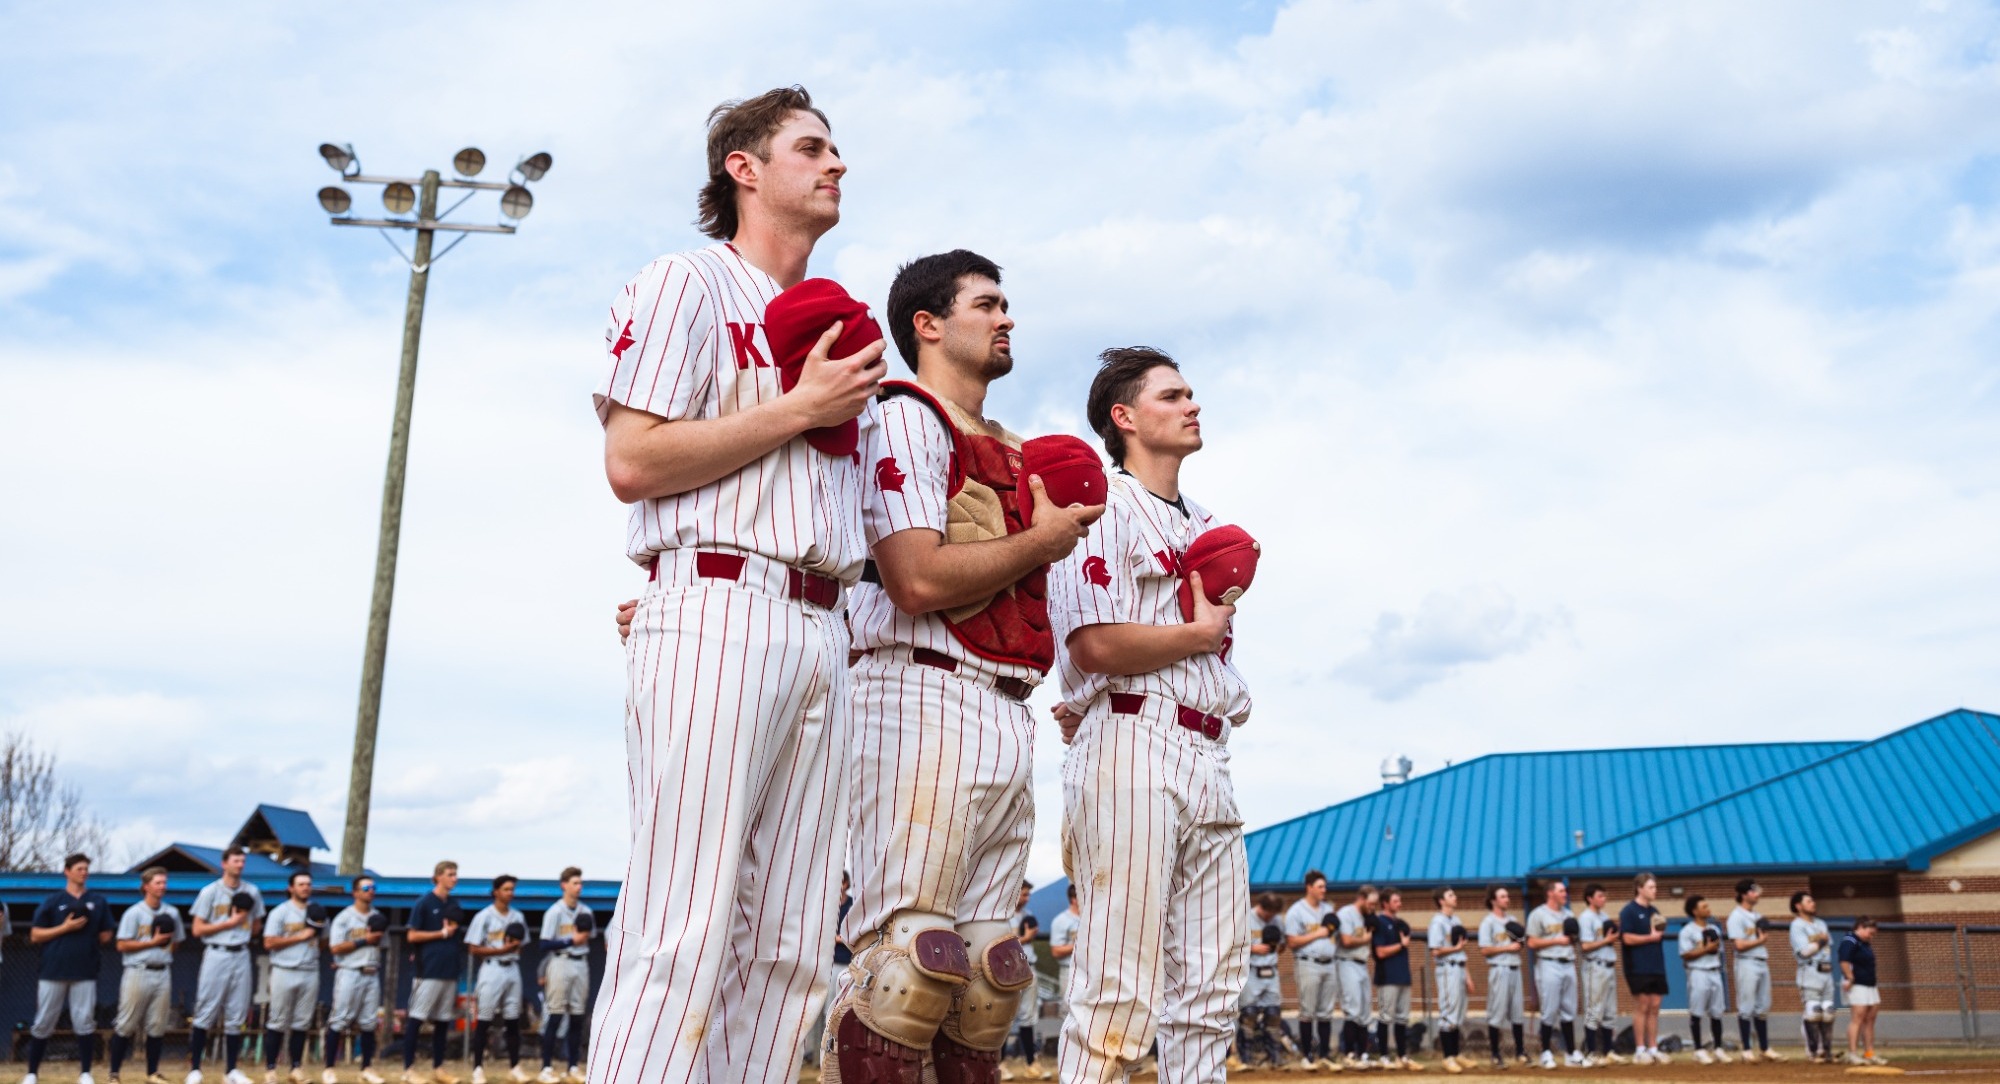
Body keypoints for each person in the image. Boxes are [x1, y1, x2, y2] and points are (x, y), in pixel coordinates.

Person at [593, 83, 882, 1084]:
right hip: (716, 601)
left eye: (837, 150)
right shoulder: (690, 282)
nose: (835, 163)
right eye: (811, 147)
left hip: (822, 625)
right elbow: (633, 462)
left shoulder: (844, 332)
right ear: (743, 169)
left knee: (795, 944)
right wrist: (797, 405)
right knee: (682, 926)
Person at [831, 252, 1097, 1084]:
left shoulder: (1018, 452)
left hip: (1003, 701)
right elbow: (914, 581)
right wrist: (1045, 542)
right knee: (909, 967)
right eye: (987, 303)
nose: (1006, 317)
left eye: (1008, 303)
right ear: (929, 324)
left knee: (988, 977)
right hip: (916, 686)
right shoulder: (906, 416)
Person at [1050, 348, 1253, 1084]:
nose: (1192, 404)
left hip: (1207, 747)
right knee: (1119, 984)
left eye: (1193, 392)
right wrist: (1195, 637)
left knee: (1210, 987)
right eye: (1173, 395)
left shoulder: (1207, 522)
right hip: (1133, 739)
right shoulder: (1102, 506)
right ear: (1125, 417)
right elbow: (1095, 642)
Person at [27, 853, 113, 1084]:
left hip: (85, 970)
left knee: (84, 1021)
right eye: (79, 868)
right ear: (67, 871)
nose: (83, 872)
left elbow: (106, 934)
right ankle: (32, 1073)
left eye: (86, 869)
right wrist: (65, 927)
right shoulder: (53, 901)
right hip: (53, 970)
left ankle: (85, 1073)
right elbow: (35, 935)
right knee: (44, 1021)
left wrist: (94, 931)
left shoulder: (98, 901)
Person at [189, 846, 266, 1084]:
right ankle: (195, 1069)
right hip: (216, 952)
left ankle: (231, 1070)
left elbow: (256, 927)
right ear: (224, 864)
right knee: (206, 1009)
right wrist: (230, 922)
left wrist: (243, 925)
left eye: (242, 861)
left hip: (241, 953)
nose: (240, 865)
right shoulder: (210, 891)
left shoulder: (252, 891)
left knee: (237, 1011)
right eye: (235, 860)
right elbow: (197, 929)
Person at [110, 867, 180, 1084]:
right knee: (126, 1023)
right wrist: (152, 943)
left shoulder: (172, 912)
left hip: (162, 971)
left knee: (158, 1024)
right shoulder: (134, 913)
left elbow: (176, 942)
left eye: (164, 882)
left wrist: (164, 947)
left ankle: (152, 1073)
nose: (162, 886)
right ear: (146, 886)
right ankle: (114, 1074)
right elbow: (121, 944)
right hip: (138, 970)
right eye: (158, 882)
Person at [402, 862, 464, 1084]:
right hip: (427, 971)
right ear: (438, 877)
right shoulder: (424, 903)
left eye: (456, 874)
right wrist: (441, 933)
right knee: (417, 1019)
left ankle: (438, 1068)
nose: (454, 879)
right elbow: (412, 936)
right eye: (450, 874)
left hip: (449, 971)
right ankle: (408, 1069)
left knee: (442, 1021)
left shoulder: (454, 903)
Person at [261, 873, 326, 1084]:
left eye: (308, 884)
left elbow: (325, 942)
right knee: (278, 1020)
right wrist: (299, 937)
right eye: (301, 884)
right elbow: (268, 942)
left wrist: (315, 936)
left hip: (310, 969)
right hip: (284, 969)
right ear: (291, 888)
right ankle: (271, 1069)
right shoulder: (280, 912)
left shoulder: (317, 911)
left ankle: (296, 1068)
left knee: (302, 1021)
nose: (305, 887)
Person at [465, 876, 530, 1084]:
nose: (510, 893)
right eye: (506, 889)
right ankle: (477, 1068)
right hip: (491, 967)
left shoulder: (517, 916)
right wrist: (502, 949)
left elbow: (523, 943)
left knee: (512, 1019)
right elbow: (473, 948)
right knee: (484, 1019)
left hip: (512, 967)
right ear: (496, 892)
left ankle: (514, 1066)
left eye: (512, 889)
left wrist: (513, 946)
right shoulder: (484, 916)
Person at [326, 876, 389, 1084]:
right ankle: (329, 1068)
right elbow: (335, 947)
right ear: (355, 892)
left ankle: (366, 1068)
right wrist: (364, 940)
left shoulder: (378, 916)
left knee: (369, 1022)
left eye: (373, 887)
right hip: (350, 970)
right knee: (340, 1018)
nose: (371, 891)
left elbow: (384, 945)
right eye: (366, 887)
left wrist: (375, 939)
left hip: (372, 971)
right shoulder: (345, 918)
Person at [535, 868, 593, 1084]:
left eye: (580, 883)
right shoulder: (555, 911)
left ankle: (573, 1066)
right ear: (564, 885)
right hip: (560, 960)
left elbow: (589, 936)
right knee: (556, 1014)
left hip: (581, 963)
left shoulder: (585, 910)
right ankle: (546, 1067)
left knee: (577, 1016)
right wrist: (570, 940)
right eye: (575, 883)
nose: (579, 887)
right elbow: (543, 944)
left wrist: (579, 939)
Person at [1283, 872, 1340, 1070]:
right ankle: (1307, 1056)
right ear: (1309, 887)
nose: (1324, 890)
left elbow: (1334, 933)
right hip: (1308, 963)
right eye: (1320, 886)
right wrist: (1319, 933)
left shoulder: (1328, 909)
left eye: (1325, 886)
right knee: (1308, 1011)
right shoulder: (1296, 911)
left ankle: (1325, 1054)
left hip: (1330, 963)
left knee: (1326, 1012)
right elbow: (1291, 941)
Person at [1524, 881, 1580, 1068]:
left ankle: (1571, 1053)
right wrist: (1556, 940)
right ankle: (1545, 1052)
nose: (1565, 893)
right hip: (1549, 963)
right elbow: (1531, 943)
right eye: (1561, 891)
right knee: (1549, 1010)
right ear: (1550, 893)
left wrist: (1572, 939)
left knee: (1569, 1010)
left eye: (1565, 890)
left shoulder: (1568, 914)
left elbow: (1573, 939)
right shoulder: (1538, 914)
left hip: (1568, 963)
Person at [1724, 879, 1781, 1062]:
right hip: (1746, 962)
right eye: (1752, 891)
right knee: (1746, 1006)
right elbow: (1739, 945)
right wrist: (1760, 940)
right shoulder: (1736, 916)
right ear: (1744, 894)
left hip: (1761, 960)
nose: (1756, 894)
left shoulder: (1756, 915)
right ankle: (1747, 1049)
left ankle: (1764, 1048)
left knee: (1763, 1006)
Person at [1616, 873, 1670, 1065]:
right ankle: (1640, 1049)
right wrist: (1650, 938)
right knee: (1643, 1005)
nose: (1654, 891)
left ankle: (1653, 1048)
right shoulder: (1629, 911)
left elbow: (1658, 934)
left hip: (1656, 964)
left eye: (1655, 887)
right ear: (1639, 888)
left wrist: (1656, 937)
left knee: (1655, 1005)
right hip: (1637, 966)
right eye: (1650, 887)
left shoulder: (1654, 911)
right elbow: (1627, 938)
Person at [1234, 894, 1291, 1071]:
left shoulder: (1276, 921)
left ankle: (1274, 1056)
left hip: (1271, 971)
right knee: (1249, 1014)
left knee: (1273, 1013)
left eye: (1274, 914)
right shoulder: (1245, 917)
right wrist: (1253, 948)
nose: (1270, 917)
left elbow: (1281, 946)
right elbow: (1233, 945)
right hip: (1251, 971)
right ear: (1261, 907)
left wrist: (1278, 945)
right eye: (1268, 913)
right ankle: (1245, 1058)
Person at [1573, 883, 1624, 1067]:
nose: (1604, 898)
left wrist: (1610, 939)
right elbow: (1585, 946)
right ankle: (1591, 1052)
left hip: (1609, 965)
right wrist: (1607, 940)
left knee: (1610, 1011)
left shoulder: (1603, 916)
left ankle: (1609, 1051)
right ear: (1590, 898)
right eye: (1600, 896)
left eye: (1604, 895)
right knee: (1594, 1010)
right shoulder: (1586, 918)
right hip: (1594, 966)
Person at [1476, 886, 1526, 1068]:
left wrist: (1521, 940)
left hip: (1515, 968)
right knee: (1497, 1012)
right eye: (1503, 896)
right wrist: (1507, 948)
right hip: (1499, 969)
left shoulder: (1512, 920)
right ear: (1493, 900)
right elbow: (1485, 949)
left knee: (1517, 1011)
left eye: (1507, 895)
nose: (1507, 899)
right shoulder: (1488, 922)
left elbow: (1521, 942)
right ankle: (1495, 1054)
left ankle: (1520, 1052)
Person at [1677, 895, 1730, 1064]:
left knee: (1717, 1012)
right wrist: (1706, 948)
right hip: (1698, 971)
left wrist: (1711, 948)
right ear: (1695, 911)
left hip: (1715, 970)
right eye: (1704, 907)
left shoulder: (1714, 928)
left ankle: (1718, 1048)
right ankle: (1698, 1049)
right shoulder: (1688, 931)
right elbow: (1685, 954)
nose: (1708, 909)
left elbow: (1718, 950)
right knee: (1697, 1011)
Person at [1329, 886, 1378, 1069]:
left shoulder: (1366, 916)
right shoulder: (1347, 913)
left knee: (1365, 1012)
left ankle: (1363, 1055)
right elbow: (1347, 940)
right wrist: (1366, 938)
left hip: (1362, 964)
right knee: (1353, 1009)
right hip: (1346, 962)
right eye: (1371, 903)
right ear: (1361, 898)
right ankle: (1349, 1054)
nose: (1373, 907)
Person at [1426, 888, 1473, 1075]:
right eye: (1451, 895)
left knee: (1458, 1013)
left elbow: (1461, 950)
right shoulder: (1437, 922)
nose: (1455, 897)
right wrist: (1455, 948)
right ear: (1441, 901)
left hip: (1460, 967)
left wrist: (1468, 976)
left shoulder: (1456, 920)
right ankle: (1448, 1057)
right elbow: (1435, 950)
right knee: (1448, 1011)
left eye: (1454, 894)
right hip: (1447, 968)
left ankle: (1456, 1053)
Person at [1370, 889, 1417, 1070]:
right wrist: (1401, 945)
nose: (1399, 903)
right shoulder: (1380, 923)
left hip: (1403, 976)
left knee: (1402, 1018)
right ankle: (1383, 1056)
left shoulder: (1399, 924)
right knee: (1385, 1016)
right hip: (1387, 977)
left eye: (1399, 900)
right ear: (1385, 903)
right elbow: (1380, 952)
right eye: (1395, 901)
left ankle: (1402, 1056)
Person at [1788, 891, 1836, 1063]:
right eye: (1808, 901)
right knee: (1813, 1011)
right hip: (1809, 971)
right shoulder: (1797, 925)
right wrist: (1820, 942)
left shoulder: (1821, 923)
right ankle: (1813, 1052)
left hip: (1826, 972)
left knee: (1828, 1011)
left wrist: (1820, 943)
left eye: (1813, 900)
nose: (1813, 903)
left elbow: (1826, 947)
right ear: (1798, 906)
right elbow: (1804, 952)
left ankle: (1826, 1051)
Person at [1008, 915, 1049, 1080]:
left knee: (1028, 1018)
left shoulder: (1028, 912)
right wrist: (1026, 937)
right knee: (1005, 1018)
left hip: (1029, 967)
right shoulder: (1004, 915)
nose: (1025, 897)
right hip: (1009, 969)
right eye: (1023, 893)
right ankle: (1001, 1064)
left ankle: (1031, 1064)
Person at [1840, 918, 1884, 1066]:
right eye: (1869, 933)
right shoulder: (1850, 940)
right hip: (1858, 985)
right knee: (1858, 1018)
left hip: (1870, 984)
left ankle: (1869, 1053)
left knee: (1870, 1019)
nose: (1871, 937)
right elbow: (1844, 961)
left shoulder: (1865, 943)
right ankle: (1852, 1053)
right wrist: (1849, 977)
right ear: (1860, 927)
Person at [1049, 886, 1081, 1003]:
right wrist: (1081, 944)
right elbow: (1056, 951)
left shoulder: (1092, 918)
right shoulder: (1061, 920)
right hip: (1070, 970)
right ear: (1074, 899)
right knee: (1068, 1011)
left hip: (1091, 971)